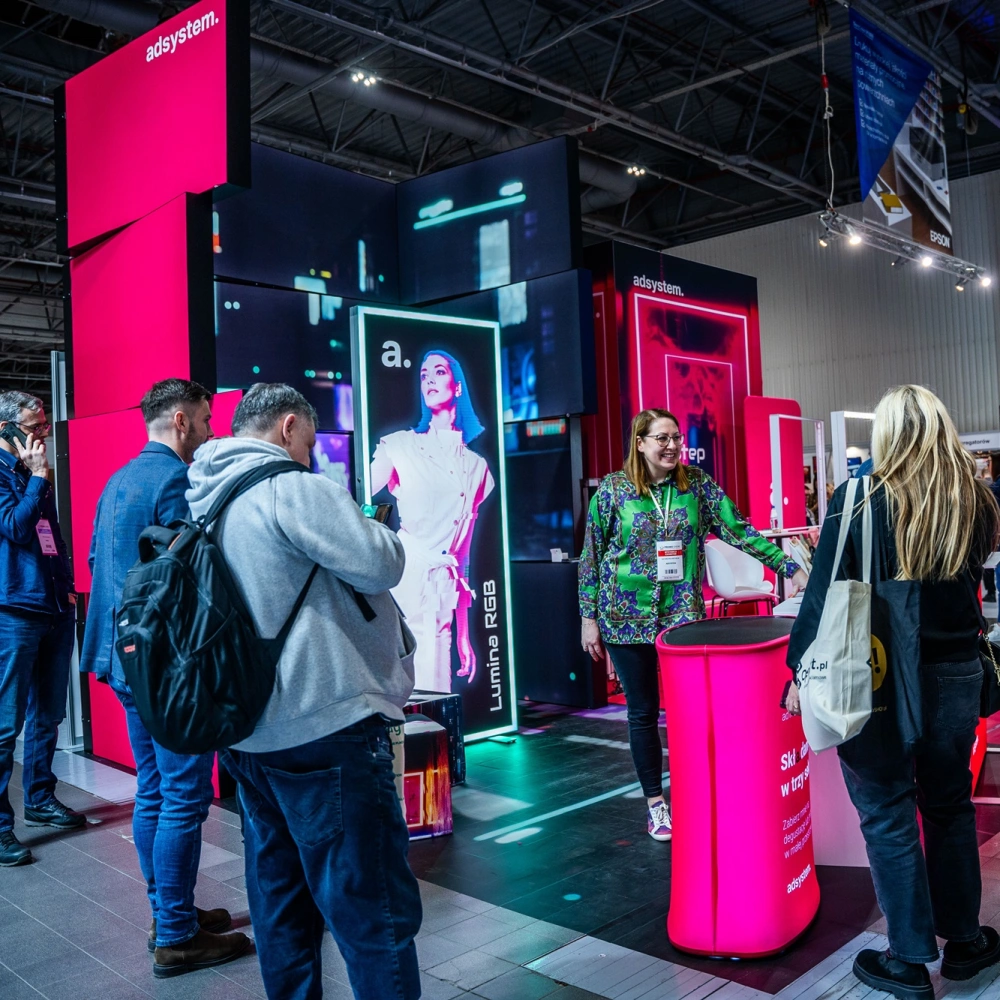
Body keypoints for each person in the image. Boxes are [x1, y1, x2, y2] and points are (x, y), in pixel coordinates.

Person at [186, 383, 421, 1000]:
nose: (311, 454)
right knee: (374, 912)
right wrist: (379, 532)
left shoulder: (204, 499)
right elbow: (381, 564)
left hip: (251, 736)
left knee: (281, 905)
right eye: (310, 441)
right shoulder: (292, 488)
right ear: (288, 426)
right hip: (325, 727)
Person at [787, 385, 1000, 1000]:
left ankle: (908, 960)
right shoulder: (974, 500)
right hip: (957, 671)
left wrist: (798, 670)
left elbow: (825, 592)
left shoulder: (858, 496)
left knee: (886, 813)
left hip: (879, 673)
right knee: (949, 807)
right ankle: (964, 942)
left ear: (884, 435)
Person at [80, 378, 249, 977]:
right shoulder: (175, 479)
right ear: (180, 420)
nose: (209, 431)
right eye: (204, 420)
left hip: (124, 660)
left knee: (153, 791)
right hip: (165, 667)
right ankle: (176, 934)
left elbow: (101, 567)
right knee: (182, 796)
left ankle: (168, 910)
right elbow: (190, 576)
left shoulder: (118, 480)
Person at [579, 408, 807, 841]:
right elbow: (591, 557)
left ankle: (698, 795)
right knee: (642, 713)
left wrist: (787, 565)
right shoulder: (612, 491)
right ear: (640, 442)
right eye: (661, 438)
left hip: (682, 619)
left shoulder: (696, 485)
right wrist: (588, 619)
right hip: (624, 621)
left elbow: (739, 530)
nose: (671, 447)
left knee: (690, 712)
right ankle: (655, 805)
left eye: (676, 439)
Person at [370, 349, 493, 693]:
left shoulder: (477, 468)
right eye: (424, 376)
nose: (429, 380)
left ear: (456, 386)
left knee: (436, 697)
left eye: (438, 372)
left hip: (442, 598)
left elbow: (462, 556)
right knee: (400, 693)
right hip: (404, 585)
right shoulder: (399, 446)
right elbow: (356, 495)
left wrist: (465, 634)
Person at [0, 390, 84, 867]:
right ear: (6, 427)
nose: (43, 434)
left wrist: (66, 585)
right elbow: (14, 526)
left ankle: (39, 798)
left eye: (45, 425)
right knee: (5, 725)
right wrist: (36, 478)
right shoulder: (13, 473)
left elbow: (46, 534)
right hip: (13, 610)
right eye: (35, 426)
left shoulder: (33, 474)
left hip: (53, 605)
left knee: (48, 714)